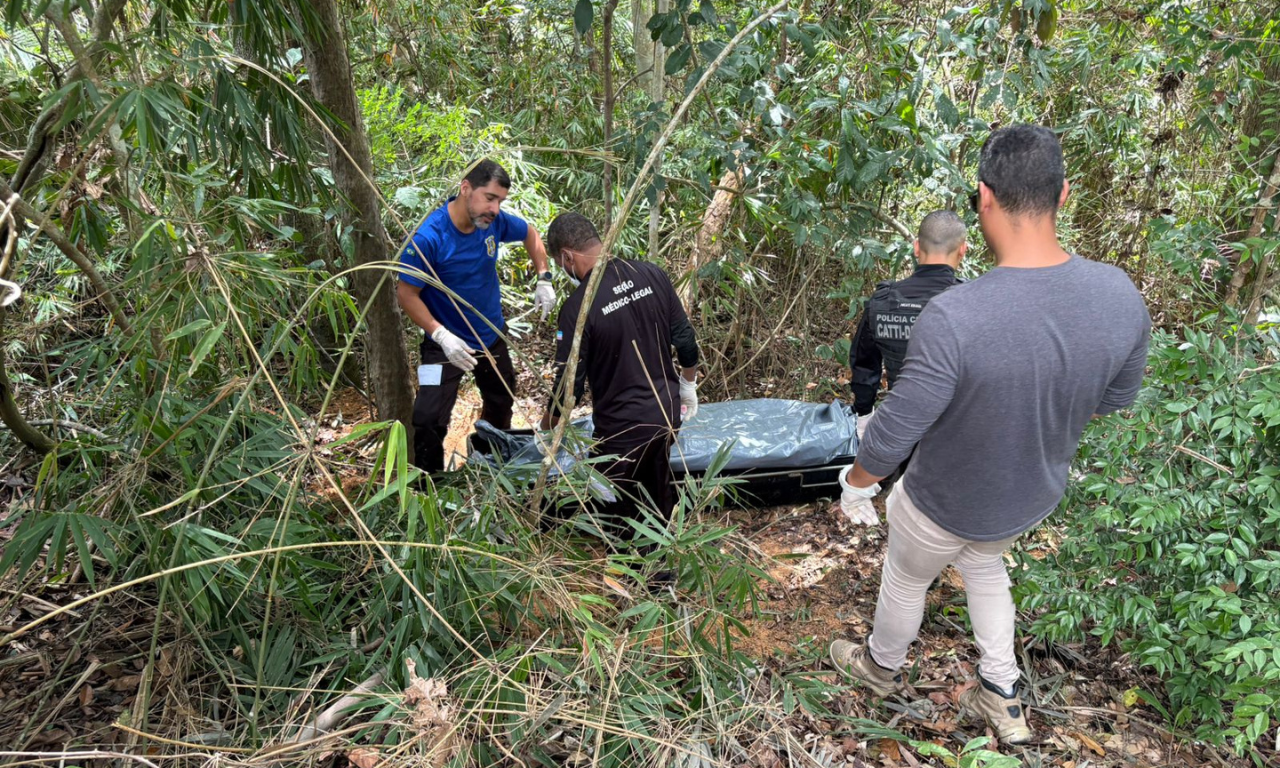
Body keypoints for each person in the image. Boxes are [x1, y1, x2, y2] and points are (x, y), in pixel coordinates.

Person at [828, 125, 1151, 744]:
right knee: (984, 564)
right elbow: (1111, 401)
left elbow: (900, 422)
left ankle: (880, 667)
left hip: (944, 499)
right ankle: (1002, 692)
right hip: (1028, 494)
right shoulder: (1119, 295)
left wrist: (857, 482)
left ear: (984, 198)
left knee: (906, 575)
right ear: (1062, 195)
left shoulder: (958, 315)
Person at [538, 212, 699, 541]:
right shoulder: (651, 274)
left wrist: (547, 428)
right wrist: (687, 386)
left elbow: (570, 385)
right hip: (666, 413)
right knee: (656, 488)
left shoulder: (576, 308)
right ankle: (660, 568)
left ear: (567, 256)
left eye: (559, 262)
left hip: (622, 430)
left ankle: (634, 571)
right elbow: (685, 339)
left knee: (613, 501)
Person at [396, 160, 555, 473]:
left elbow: (531, 234)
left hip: (490, 335)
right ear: (465, 189)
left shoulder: (492, 222)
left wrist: (544, 276)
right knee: (428, 419)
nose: (495, 209)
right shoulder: (429, 237)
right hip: (445, 344)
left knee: (501, 400)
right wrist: (440, 334)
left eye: (500, 201)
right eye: (489, 198)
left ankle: (493, 469)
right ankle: (431, 489)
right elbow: (406, 294)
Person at [849, 210, 967, 481]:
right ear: (962, 250)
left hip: (901, 425)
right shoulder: (970, 302)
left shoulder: (882, 301)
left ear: (916, 248)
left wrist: (864, 413)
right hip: (954, 430)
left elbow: (864, 363)